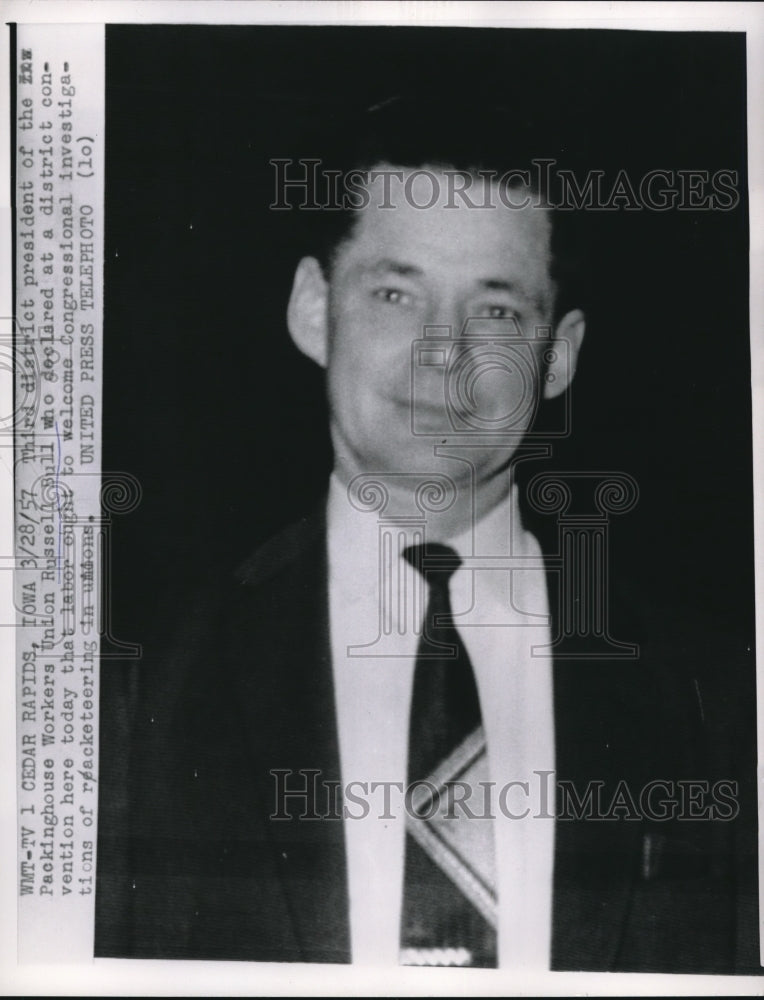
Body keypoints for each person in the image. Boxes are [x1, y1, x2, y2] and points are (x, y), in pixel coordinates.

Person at [95, 100, 758, 972]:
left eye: (495, 312)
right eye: (395, 294)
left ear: (558, 356)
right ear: (313, 310)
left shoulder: (720, 697)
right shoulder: (133, 685)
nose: (443, 352)